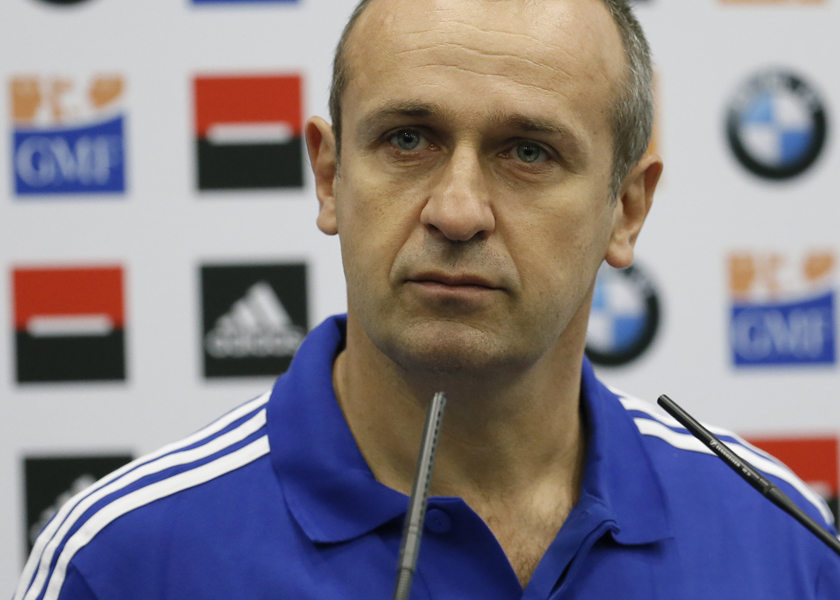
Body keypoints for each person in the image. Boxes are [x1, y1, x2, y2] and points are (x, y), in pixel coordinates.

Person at [15, 0, 840, 598]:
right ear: (331, 175)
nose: (456, 211)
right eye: (408, 139)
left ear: (626, 209)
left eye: (528, 151)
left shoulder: (779, 539)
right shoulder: (125, 559)